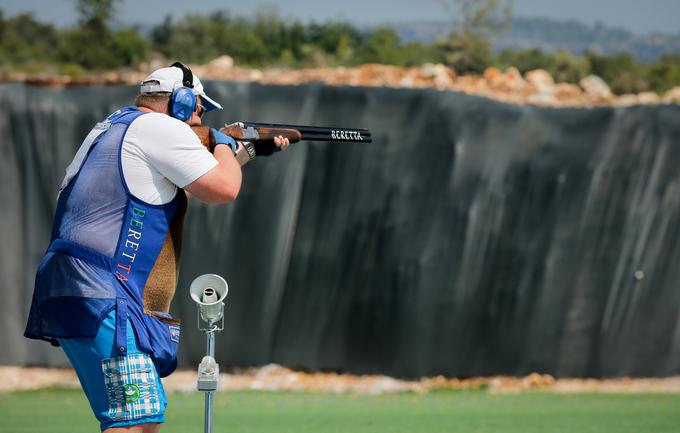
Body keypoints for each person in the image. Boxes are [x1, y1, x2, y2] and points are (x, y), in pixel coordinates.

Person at [24, 62, 289, 432]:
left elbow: (185, 174)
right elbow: (224, 188)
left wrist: (248, 152)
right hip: (104, 294)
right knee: (134, 422)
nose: (199, 120)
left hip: (86, 288)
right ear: (180, 101)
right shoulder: (159, 127)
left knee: (140, 420)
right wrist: (227, 146)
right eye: (198, 108)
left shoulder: (118, 126)